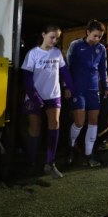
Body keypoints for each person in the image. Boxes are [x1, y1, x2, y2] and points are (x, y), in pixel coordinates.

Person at [21, 24, 74, 178]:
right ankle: (32, 162)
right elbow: (27, 79)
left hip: (53, 95)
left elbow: (65, 72)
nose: (54, 41)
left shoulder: (57, 53)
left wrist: (70, 88)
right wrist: (35, 98)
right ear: (43, 35)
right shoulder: (32, 54)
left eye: (57, 38)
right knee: (35, 128)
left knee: (55, 124)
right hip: (34, 96)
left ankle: (50, 163)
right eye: (52, 37)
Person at [66, 20, 108, 167]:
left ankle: (89, 154)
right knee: (79, 122)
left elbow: (103, 70)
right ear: (87, 32)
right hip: (78, 89)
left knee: (93, 122)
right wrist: (67, 86)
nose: (97, 39)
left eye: (100, 37)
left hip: (93, 90)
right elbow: (67, 67)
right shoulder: (75, 45)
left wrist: (106, 87)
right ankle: (71, 148)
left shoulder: (101, 49)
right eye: (95, 35)